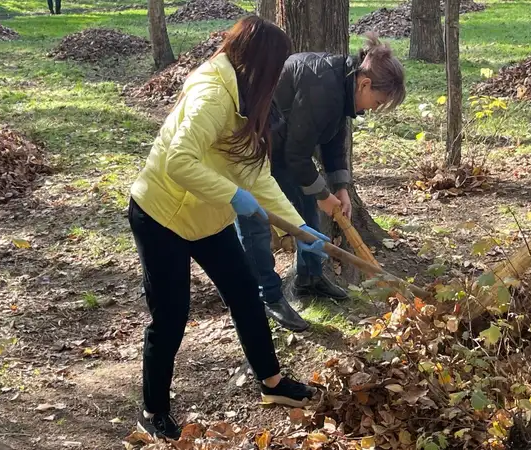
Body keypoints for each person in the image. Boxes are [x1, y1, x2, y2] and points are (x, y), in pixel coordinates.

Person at [128, 16, 324, 440]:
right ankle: (153, 410)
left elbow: (257, 175)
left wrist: (301, 229)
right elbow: (180, 160)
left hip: (207, 217)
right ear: (259, 63)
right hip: (162, 214)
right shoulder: (213, 93)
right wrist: (233, 196)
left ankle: (272, 384)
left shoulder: (246, 96)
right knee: (172, 316)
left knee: (245, 293)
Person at [234, 33, 407, 332]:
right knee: (256, 218)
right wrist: (324, 196)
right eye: (377, 102)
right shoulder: (324, 86)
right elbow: (299, 155)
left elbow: (333, 141)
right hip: (253, 142)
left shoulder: (342, 83)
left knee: (305, 210)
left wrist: (339, 187)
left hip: (283, 146)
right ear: (365, 84)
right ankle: (268, 296)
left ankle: (309, 277)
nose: (372, 110)